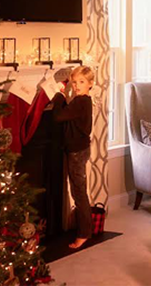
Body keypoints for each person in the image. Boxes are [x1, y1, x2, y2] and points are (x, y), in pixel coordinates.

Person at [52, 65, 94, 249]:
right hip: (80, 148)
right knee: (79, 190)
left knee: (78, 192)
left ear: (90, 84)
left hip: (76, 152)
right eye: (74, 82)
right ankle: (85, 229)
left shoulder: (80, 102)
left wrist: (59, 96)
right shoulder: (82, 101)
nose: (77, 86)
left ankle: (84, 233)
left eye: (82, 82)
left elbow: (58, 117)